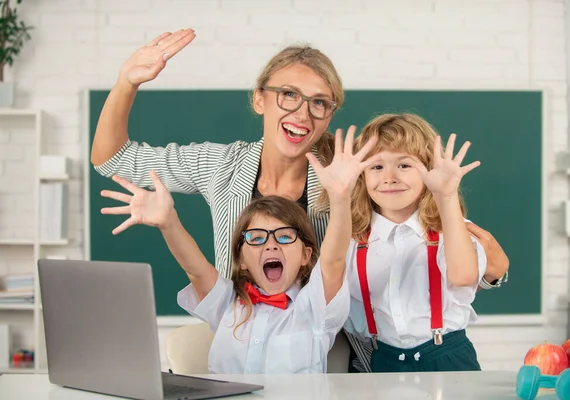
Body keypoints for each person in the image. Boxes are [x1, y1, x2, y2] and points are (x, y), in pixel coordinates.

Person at [90, 29, 509, 371]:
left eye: (319, 103)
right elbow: (112, 160)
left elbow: (417, 210)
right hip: (247, 340)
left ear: (331, 115)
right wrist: (127, 81)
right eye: (288, 95)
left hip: (340, 355)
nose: (302, 113)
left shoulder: (347, 166)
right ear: (260, 99)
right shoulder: (221, 165)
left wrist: (491, 270)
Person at [99, 127, 379, 373]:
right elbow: (195, 268)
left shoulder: (315, 308)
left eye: (284, 237)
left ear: (306, 256)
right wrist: (168, 223)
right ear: (241, 260)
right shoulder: (226, 304)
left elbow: (333, 260)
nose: (270, 244)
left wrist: (340, 198)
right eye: (256, 238)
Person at [344, 113, 486, 372]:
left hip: (449, 358)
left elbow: (465, 276)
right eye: (376, 167)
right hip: (382, 361)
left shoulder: (451, 227)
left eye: (404, 165)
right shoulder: (352, 241)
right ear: (360, 177)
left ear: (430, 170)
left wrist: (446, 196)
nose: (390, 177)